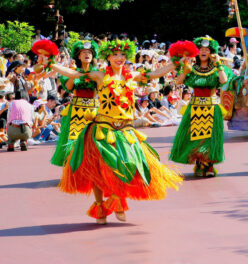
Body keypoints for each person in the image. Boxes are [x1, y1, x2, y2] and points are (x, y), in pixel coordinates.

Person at [51, 38, 181, 224]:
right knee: (97, 171)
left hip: (125, 129)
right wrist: (50, 63)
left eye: (122, 55)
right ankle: (100, 207)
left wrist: (175, 63)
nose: (119, 58)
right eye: (114, 55)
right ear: (108, 57)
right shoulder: (99, 75)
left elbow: (154, 74)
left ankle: (117, 199)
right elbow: (73, 72)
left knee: (128, 163)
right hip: (101, 130)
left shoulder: (132, 75)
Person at [169, 37, 230, 178]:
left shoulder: (216, 67)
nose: (203, 51)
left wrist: (219, 64)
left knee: (210, 138)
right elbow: (177, 81)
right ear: (197, 52)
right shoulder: (192, 68)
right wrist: (185, 70)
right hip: (195, 107)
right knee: (195, 138)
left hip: (212, 107)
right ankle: (199, 162)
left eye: (207, 50)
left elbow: (224, 80)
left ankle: (208, 165)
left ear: (211, 53)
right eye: (201, 49)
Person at [50, 38, 99, 167]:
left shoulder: (98, 73)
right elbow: (70, 87)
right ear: (78, 56)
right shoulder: (72, 71)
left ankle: (92, 168)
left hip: (93, 110)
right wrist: (75, 74)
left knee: (94, 139)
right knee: (75, 140)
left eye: (89, 52)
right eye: (83, 52)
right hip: (76, 110)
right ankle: (74, 168)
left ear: (93, 55)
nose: (86, 54)